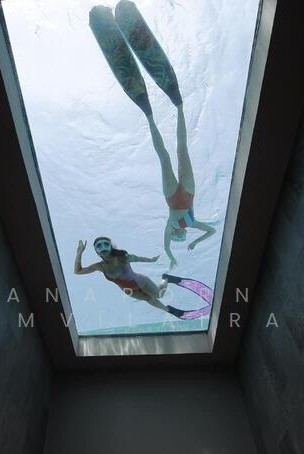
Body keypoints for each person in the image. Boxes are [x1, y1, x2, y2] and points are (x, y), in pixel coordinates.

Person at [89, 1, 216, 270]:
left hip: (172, 197)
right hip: (188, 193)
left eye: (178, 236)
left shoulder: (170, 229)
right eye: (181, 235)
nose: (179, 234)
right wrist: (195, 242)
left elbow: (167, 248)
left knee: (165, 157)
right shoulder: (190, 225)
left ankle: (148, 114)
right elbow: (211, 231)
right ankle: (178, 105)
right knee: (181, 149)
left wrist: (171, 259)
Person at [74, 237, 186, 318]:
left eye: (106, 244)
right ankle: (169, 310)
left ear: (111, 247)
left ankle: (166, 278)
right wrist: (79, 253)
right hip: (128, 290)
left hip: (141, 281)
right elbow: (78, 271)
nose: (103, 247)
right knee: (148, 299)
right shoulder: (99, 266)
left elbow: (138, 258)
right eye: (99, 245)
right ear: (96, 252)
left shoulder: (123, 257)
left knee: (159, 295)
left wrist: (152, 260)